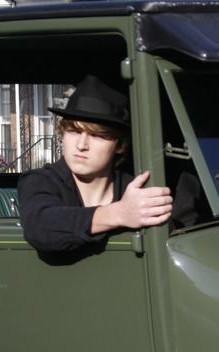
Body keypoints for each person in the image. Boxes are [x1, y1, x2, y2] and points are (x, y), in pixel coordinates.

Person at [18, 75, 173, 260]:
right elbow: (40, 226)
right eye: (73, 131)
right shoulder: (41, 180)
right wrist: (118, 214)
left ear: (120, 145)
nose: (82, 145)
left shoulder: (133, 187)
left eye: (97, 135)